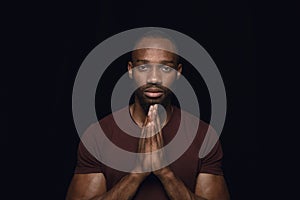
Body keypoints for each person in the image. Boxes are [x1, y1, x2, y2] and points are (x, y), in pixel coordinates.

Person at [66, 31, 230, 200]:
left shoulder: (203, 135)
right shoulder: (98, 135)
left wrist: (165, 174)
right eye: (143, 67)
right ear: (130, 70)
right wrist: (136, 174)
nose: (153, 78)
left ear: (178, 72)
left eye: (165, 68)